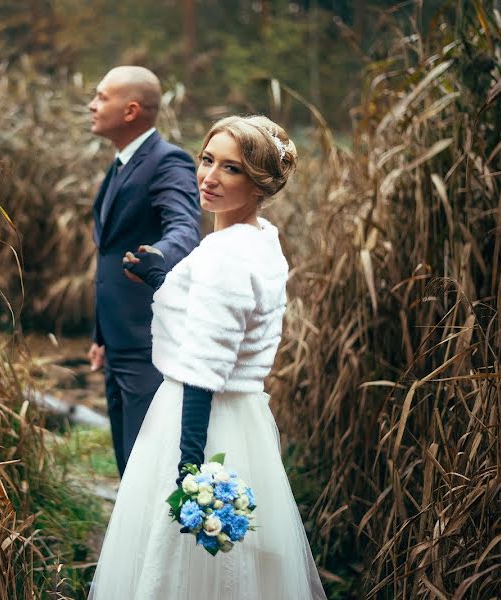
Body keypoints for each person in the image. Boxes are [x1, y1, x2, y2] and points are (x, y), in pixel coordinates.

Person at [88, 115, 327, 599]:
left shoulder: (224, 256)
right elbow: (222, 322)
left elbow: (205, 364)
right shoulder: (260, 240)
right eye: (207, 159)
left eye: (232, 169)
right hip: (243, 418)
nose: (210, 177)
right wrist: (164, 279)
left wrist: (191, 469)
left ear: (259, 183)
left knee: (182, 562)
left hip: (199, 420)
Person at [87, 66, 201, 476]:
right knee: (126, 462)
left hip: (147, 341)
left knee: (146, 465)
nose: (92, 104)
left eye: (101, 97)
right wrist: (101, 335)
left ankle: (154, 541)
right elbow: (109, 254)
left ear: (131, 109)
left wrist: (158, 254)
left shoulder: (167, 162)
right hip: (118, 340)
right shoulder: (120, 164)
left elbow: (185, 228)